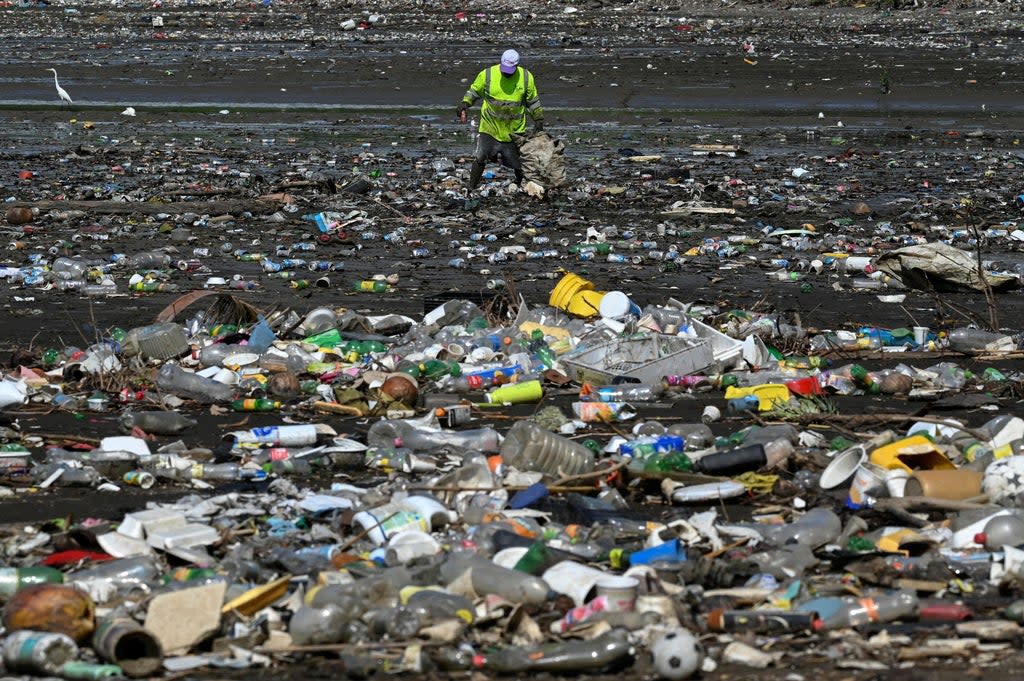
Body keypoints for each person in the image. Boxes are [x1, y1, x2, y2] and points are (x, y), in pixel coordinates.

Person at [457, 49, 544, 190]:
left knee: (518, 163)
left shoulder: (526, 77)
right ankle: (471, 188)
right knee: (480, 157)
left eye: (510, 70)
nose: (506, 73)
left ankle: (523, 187)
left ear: (517, 66)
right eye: (504, 69)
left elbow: (533, 101)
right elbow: (474, 91)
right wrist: (465, 103)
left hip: (514, 130)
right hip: (490, 127)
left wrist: (538, 119)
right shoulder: (488, 74)